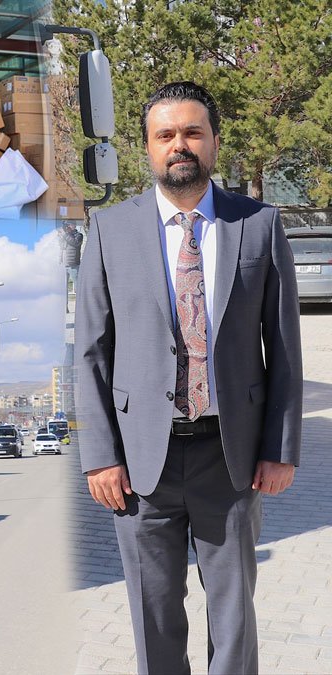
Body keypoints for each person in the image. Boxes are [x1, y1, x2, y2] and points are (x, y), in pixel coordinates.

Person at [75, 81, 302, 675]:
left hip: (230, 458)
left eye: (192, 132)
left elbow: (283, 348)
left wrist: (280, 448)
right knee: (154, 618)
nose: (180, 145)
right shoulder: (108, 230)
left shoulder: (258, 224)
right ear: (148, 148)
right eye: (166, 135)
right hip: (140, 464)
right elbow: (92, 351)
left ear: (214, 143)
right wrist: (99, 457)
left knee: (234, 619)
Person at [58, 221, 84, 293]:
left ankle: (79, 303)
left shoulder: (79, 235)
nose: (68, 226)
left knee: (77, 287)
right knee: (63, 289)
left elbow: (75, 243)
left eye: (70, 225)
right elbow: (61, 247)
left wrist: (65, 235)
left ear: (74, 226)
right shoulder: (65, 235)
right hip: (64, 264)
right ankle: (64, 304)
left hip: (73, 265)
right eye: (67, 225)